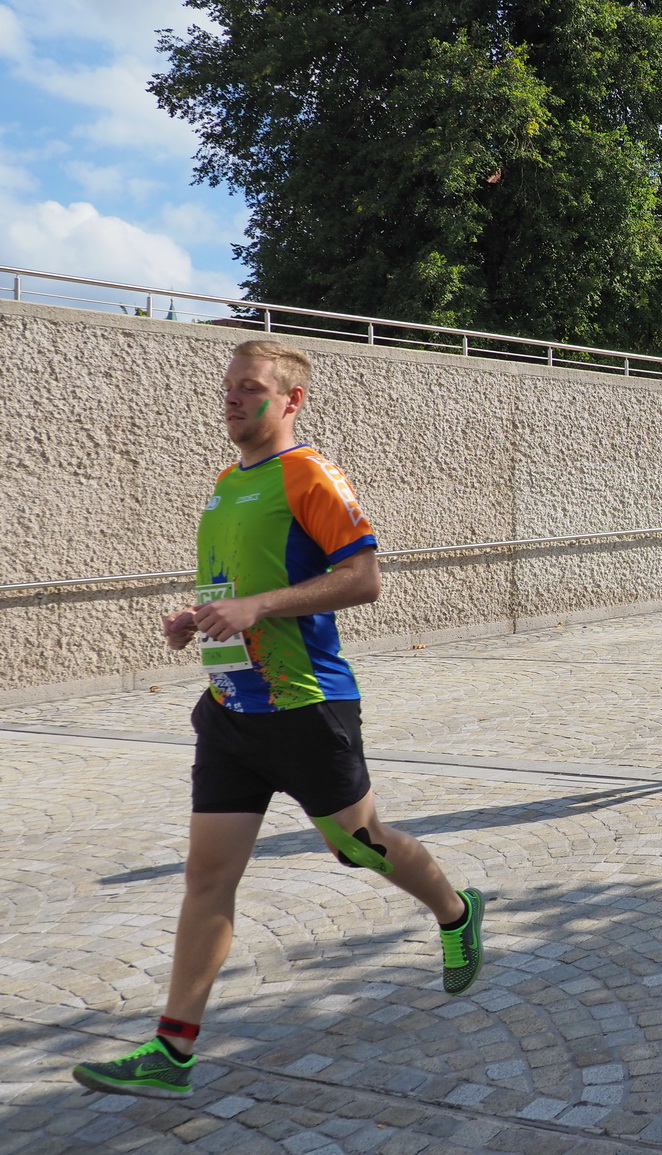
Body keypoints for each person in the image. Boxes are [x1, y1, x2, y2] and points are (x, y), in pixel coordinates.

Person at [71, 341, 484, 1101]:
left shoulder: (310, 475)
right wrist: (200, 617)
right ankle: (172, 1050)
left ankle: (457, 912)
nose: (231, 398)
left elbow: (364, 579)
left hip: (305, 706)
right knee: (207, 876)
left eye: (250, 387)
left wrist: (257, 607)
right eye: (228, 386)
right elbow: (240, 587)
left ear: (291, 400)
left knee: (359, 847)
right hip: (231, 709)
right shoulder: (227, 483)